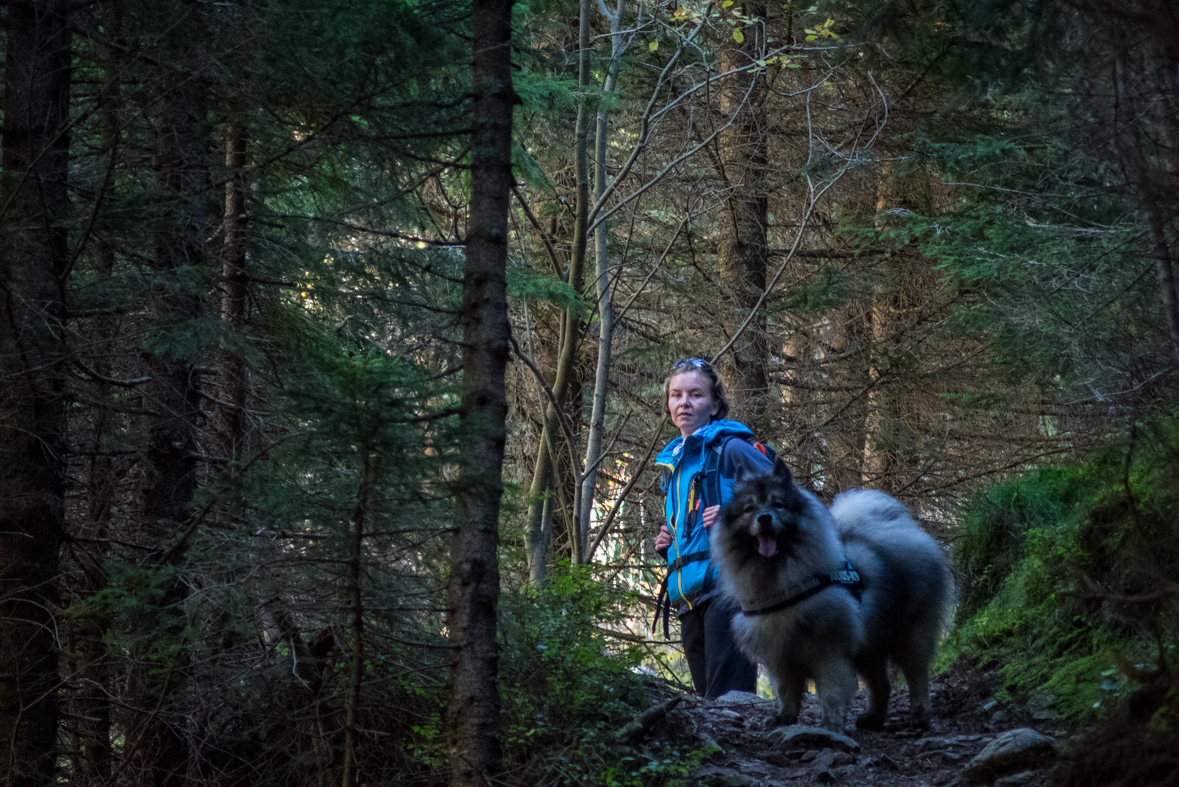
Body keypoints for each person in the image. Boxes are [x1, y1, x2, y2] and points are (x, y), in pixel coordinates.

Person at [654, 357, 773, 699]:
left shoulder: (732, 448)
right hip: (688, 596)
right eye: (676, 395)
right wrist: (669, 543)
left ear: (716, 403)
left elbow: (784, 500)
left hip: (729, 588)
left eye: (695, 394)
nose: (684, 403)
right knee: (709, 703)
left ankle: (753, 754)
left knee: (730, 701)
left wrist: (737, 516)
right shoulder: (674, 462)